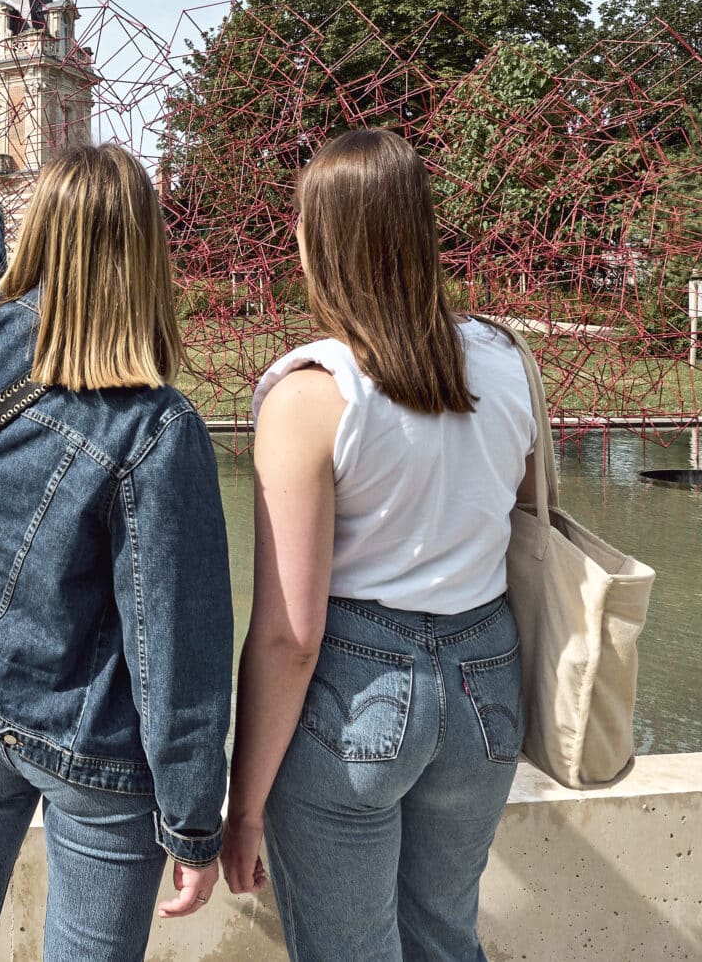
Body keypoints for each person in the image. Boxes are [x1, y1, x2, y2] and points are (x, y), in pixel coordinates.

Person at [0, 146, 234, 962]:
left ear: (37, 234)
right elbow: (175, 648)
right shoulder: (157, 428)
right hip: (94, 746)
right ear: (145, 254)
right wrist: (192, 820)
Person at [220, 128, 538, 961]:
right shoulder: (508, 359)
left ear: (320, 240)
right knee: (445, 936)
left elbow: (292, 633)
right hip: (488, 684)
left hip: (359, 695)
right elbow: (516, 518)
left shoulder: (312, 393)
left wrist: (245, 802)